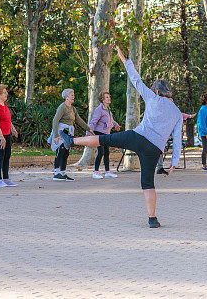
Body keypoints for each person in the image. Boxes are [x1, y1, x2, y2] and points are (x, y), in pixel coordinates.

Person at [67, 45, 183, 228]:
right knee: (148, 183)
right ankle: (152, 219)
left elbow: (135, 79)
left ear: (157, 91)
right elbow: (177, 140)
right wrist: (174, 163)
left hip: (137, 137)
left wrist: (124, 58)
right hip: (154, 149)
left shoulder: (153, 98)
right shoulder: (177, 113)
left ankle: (71, 141)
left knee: (105, 140)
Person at [49, 88, 93, 181]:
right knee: (60, 152)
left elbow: (78, 120)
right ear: (66, 97)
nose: (73, 97)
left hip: (69, 132)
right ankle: (56, 174)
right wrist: (56, 135)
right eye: (72, 95)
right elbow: (55, 120)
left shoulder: (73, 108)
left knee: (66, 153)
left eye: (73, 95)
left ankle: (63, 173)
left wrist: (88, 129)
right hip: (61, 131)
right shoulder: (62, 107)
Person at [0, 84, 19, 187]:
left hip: (6, 133)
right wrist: (2, 138)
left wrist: (13, 128)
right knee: (0, 156)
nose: (7, 93)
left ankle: (6, 179)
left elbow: (7, 119)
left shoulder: (4, 103)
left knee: (7, 155)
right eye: (4, 92)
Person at [88, 92, 120, 178]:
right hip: (99, 133)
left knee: (106, 152)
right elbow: (93, 121)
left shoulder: (108, 108)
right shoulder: (99, 109)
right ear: (102, 99)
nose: (109, 99)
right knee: (101, 152)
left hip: (106, 134)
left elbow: (111, 120)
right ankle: (96, 172)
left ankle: (107, 172)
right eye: (107, 97)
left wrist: (116, 125)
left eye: (109, 97)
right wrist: (88, 132)